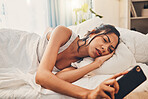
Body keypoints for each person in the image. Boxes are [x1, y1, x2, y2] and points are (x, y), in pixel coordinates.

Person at [35, 24, 128, 99]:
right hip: (24, 47)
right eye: (104, 40)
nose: (104, 48)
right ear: (93, 33)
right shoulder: (63, 33)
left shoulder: (80, 62)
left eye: (110, 49)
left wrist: (96, 64)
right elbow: (41, 77)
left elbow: (58, 79)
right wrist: (88, 94)